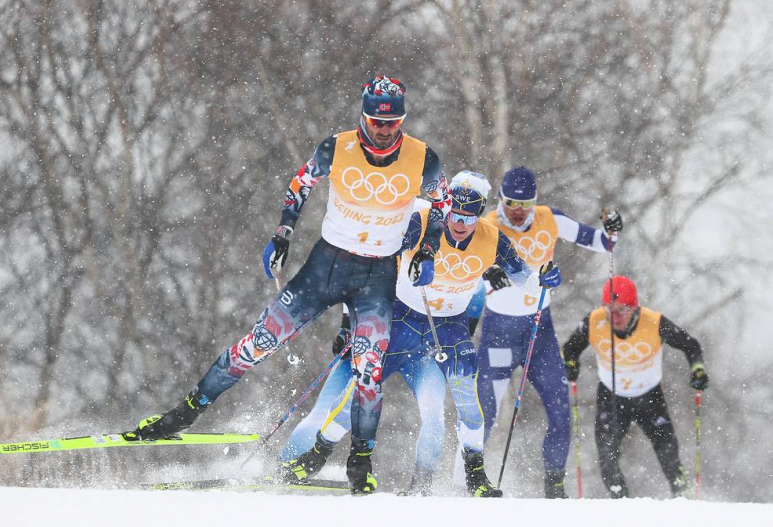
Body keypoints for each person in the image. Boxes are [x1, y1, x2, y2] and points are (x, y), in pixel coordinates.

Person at [124, 75, 451, 495]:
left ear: (402, 120)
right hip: (326, 266)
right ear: (363, 116)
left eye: (392, 123)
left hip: (377, 276)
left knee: (368, 372)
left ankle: (360, 463)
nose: (384, 130)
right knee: (259, 342)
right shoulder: (337, 147)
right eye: (376, 122)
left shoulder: (424, 158)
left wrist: (428, 250)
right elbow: (300, 186)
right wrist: (283, 233)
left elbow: (441, 205)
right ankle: (180, 416)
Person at [276, 171, 562, 497]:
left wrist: (546, 276)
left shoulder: (493, 239)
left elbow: (527, 278)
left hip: (449, 326)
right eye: (454, 213)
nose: (459, 223)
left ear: (480, 214)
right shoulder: (424, 221)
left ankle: (468, 478)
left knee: (466, 399)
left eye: (468, 217)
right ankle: (315, 456)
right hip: (402, 319)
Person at [459, 165, 623, 498]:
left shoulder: (551, 219)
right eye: (510, 204)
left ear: (534, 201)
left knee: (561, 409)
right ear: (501, 199)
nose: (517, 212)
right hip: (498, 333)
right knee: (483, 413)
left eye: (525, 204)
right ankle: (463, 481)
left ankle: (554, 487)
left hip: (539, 332)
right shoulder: (486, 226)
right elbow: (459, 271)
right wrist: (485, 280)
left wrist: (612, 230)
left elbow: (601, 243)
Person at [562, 275, 709, 498]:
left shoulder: (655, 322)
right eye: (609, 309)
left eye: (622, 309)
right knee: (606, 455)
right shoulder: (594, 321)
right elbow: (570, 349)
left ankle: (682, 493)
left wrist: (698, 370)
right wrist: (571, 365)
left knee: (667, 451)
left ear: (634, 307)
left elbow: (691, 345)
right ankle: (621, 501)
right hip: (612, 396)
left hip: (649, 395)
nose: (615, 315)